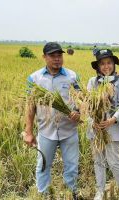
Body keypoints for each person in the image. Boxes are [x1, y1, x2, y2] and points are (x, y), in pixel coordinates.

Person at [23, 42, 81, 199]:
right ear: (44, 57)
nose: (57, 59)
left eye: (59, 55)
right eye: (52, 56)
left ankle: (71, 193)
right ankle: (43, 194)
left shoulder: (72, 76)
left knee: (72, 166)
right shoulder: (35, 78)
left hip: (69, 130)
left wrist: (78, 112)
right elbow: (30, 106)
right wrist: (28, 132)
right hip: (46, 131)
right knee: (43, 166)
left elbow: (81, 100)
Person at [87, 49, 119, 200]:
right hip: (95, 129)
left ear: (114, 64)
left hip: (113, 129)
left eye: (109, 63)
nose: (106, 66)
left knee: (113, 161)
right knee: (98, 160)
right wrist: (92, 122)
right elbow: (87, 106)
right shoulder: (92, 82)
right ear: (98, 67)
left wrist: (112, 120)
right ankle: (100, 190)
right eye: (102, 63)